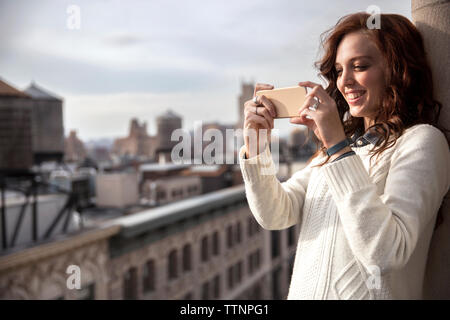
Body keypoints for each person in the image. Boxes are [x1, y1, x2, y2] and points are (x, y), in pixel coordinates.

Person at [239, 12, 450, 299]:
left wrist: (337, 145)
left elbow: (386, 254)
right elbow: (275, 213)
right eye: (339, 71)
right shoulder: (340, 150)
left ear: (398, 69)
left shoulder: (422, 141)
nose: (345, 81)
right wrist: (256, 145)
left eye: (360, 66)